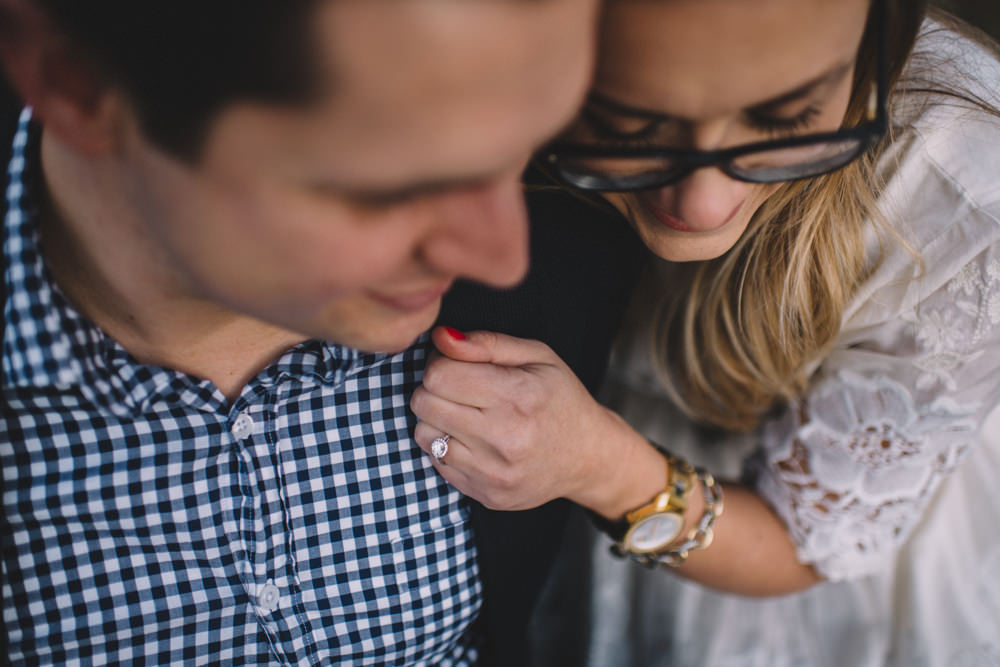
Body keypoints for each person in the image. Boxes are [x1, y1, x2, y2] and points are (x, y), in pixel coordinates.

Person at [0, 1, 648, 664]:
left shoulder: (566, 261)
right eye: (394, 188)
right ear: (77, 86)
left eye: (523, 149)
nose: (502, 257)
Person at [409, 0, 1000, 663]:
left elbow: (804, 541)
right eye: (626, 124)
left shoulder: (962, 198)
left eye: (785, 118)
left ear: (878, 49)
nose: (703, 205)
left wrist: (597, 464)